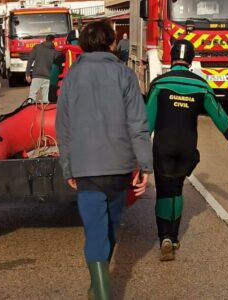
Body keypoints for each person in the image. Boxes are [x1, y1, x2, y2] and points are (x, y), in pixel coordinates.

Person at [56, 20, 152, 300]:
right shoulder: (125, 75)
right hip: (119, 167)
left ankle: (100, 292)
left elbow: (64, 125)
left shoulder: (72, 77)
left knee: (97, 231)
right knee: (109, 228)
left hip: (87, 168)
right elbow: (138, 123)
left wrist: (68, 166)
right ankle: (98, 288)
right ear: (112, 43)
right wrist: (144, 165)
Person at [146, 40, 228, 261]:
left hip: (164, 145)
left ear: (170, 57)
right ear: (191, 59)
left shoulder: (159, 83)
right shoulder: (201, 85)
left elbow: (147, 121)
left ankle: (164, 237)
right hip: (187, 145)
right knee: (177, 189)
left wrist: (136, 147)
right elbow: (219, 115)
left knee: (164, 189)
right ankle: (175, 236)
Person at [48, 29, 83, 103]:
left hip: (64, 97)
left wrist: (52, 95)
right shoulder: (91, 56)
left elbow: (53, 76)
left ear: (68, 41)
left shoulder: (60, 58)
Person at [26, 35, 57, 103]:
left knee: (31, 98)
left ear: (45, 39)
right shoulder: (54, 51)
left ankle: (30, 112)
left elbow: (30, 60)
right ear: (53, 41)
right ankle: (44, 113)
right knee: (46, 100)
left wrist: (27, 74)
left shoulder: (37, 47)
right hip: (48, 78)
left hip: (37, 76)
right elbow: (56, 66)